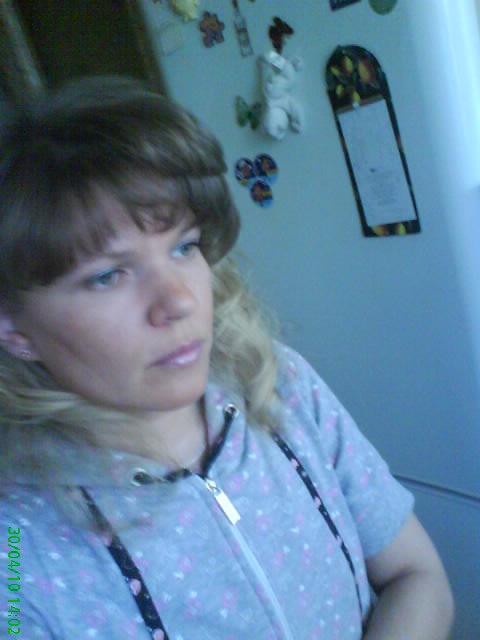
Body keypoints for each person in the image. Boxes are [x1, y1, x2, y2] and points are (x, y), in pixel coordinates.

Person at [0, 76, 453, 640]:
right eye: (108, 276)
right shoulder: (17, 549)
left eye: (184, 246)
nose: (181, 301)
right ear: (14, 328)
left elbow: (417, 576)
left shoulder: (280, 386)